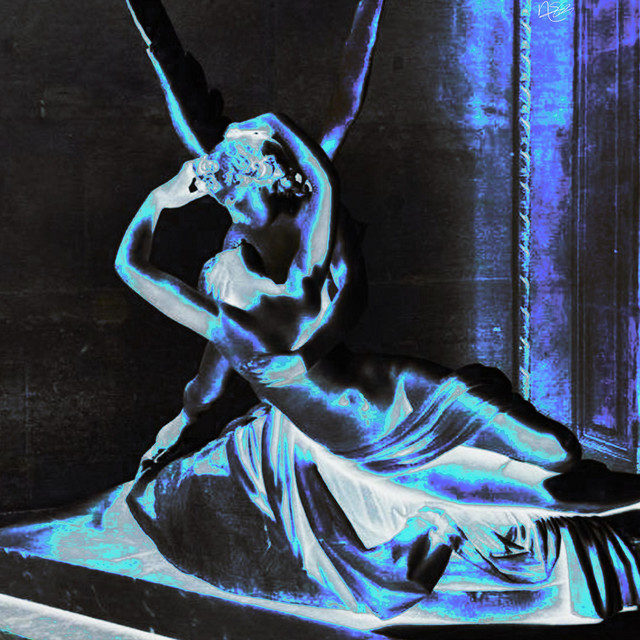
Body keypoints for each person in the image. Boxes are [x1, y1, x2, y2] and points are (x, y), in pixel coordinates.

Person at [117, 0, 640, 625]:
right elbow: (206, 378)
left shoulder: (309, 249)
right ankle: (564, 507)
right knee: (553, 479)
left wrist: (168, 191)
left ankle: (581, 497)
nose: (225, 190)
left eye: (236, 179)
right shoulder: (230, 299)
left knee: (557, 450)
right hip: (358, 436)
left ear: (273, 178)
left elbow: (338, 114)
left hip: (403, 388)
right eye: (222, 187)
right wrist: (183, 422)